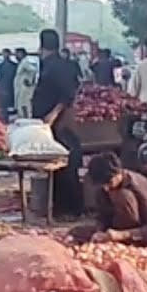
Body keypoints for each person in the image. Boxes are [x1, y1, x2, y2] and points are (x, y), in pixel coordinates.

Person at [33, 29, 85, 217]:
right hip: (51, 122)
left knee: (65, 165)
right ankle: (59, 207)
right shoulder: (52, 65)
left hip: (59, 122)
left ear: (42, 46)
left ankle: (70, 209)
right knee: (56, 164)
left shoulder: (57, 67)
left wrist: (53, 114)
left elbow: (68, 94)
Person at [72, 153, 147, 248]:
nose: (106, 188)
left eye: (109, 183)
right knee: (75, 232)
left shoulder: (139, 186)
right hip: (113, 232)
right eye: (103, 185)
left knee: (123, 196)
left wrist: (122, 235)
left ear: (118, 173)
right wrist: (100, 231)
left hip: (141, 236)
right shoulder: (104, 188)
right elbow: (103, 217)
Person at [14, 48, 39, 118]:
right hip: (20, 87)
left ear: (22, 54)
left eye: (17, 53)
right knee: (20, 104)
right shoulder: (21, 63)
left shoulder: (25, 62)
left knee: (24, 104)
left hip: (24, 88)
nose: (16, 55)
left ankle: (26, 118)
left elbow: (34, 70)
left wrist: (30, 81)